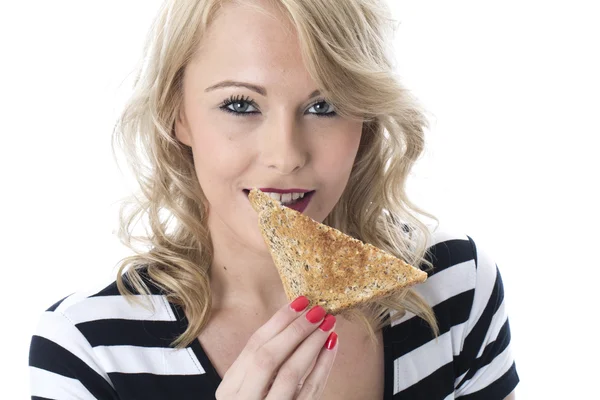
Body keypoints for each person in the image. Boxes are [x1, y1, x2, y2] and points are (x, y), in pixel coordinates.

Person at [28, 0, 519, 398]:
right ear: (178, 115)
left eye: (324, 106)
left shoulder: (456, 288)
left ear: (365, 119)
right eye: (240, 104)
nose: (285, 156)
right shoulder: (87, 349)